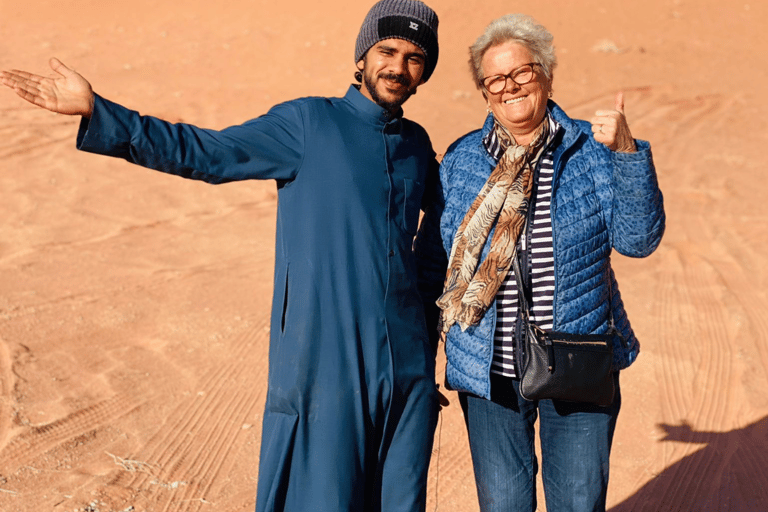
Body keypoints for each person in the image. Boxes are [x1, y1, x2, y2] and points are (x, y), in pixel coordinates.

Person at [1, 1, 443, 511]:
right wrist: (102, 113)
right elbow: (209, 153)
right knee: (325, 498)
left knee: (401, 502)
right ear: (362, 58)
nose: (398, 66)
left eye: (415, 57)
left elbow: (441, 241)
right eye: (387, 50)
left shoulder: (416, 145)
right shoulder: (308, 123)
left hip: (407, 368)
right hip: (328, 360)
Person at [414, 13, 665, 512]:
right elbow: (431, 268)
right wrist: (420, 364)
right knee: (504, 504)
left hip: (577, 363)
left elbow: (638, 241)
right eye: (495, 80)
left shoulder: (591, 152)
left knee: (577, 502)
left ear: (546, 72)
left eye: (522, 72)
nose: (510, 87)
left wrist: (628, 154)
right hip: (489, 375)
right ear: (484, 92)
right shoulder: (462, 159)